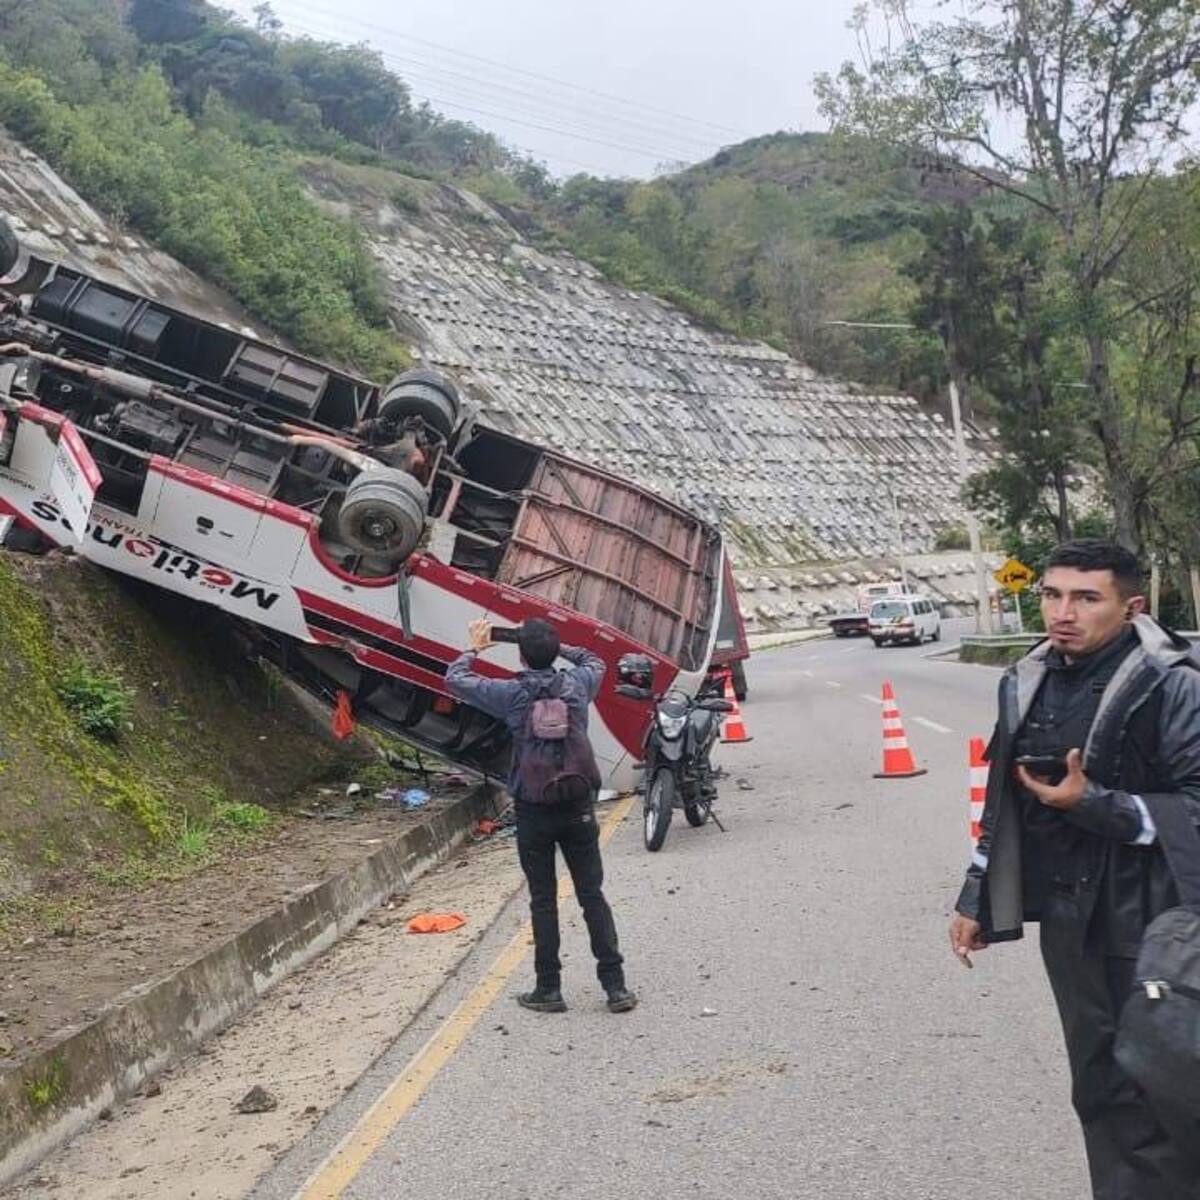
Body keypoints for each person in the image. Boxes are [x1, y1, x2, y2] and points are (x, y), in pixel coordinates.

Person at [949, 539, 1200, 1198]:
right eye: (1053, 594)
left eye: (1086, 598)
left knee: (1160, 1091)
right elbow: (1004, 801)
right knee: (1098, 1087)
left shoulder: (1174, 684)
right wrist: (977, 895)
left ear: (1132, 606)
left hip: (1153, 919)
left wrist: (1098, 805)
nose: (1063, 612)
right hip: (1070, 919)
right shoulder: (1027, 679)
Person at [446, 617, 637, 1015]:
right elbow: (593, 659)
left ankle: (549, 989)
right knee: (591, 895)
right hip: (578, 805)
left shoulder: (511, 693)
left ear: (520, 653)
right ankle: (616, 987)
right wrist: (556, 645)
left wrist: (477, 646)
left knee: (543, 899)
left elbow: (456, 677)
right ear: (553, 649)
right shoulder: (578, 684)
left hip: (534, 809)